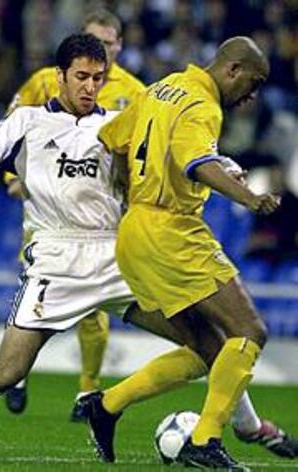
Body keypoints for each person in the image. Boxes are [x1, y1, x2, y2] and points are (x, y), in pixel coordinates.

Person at [0, 34, 296, 467]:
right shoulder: (25, 121)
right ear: (59, 76)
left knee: (211, 343)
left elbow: (173, 153)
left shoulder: (115, 124)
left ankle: (244, 428)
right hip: (56, 263)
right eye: (80, 77)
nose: (89, 87)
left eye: (98, 79)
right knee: (7, 373)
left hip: (117, 255)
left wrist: (226, 167)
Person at [78, 36, 287, 470]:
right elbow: (198, 163)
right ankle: (205, 439)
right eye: (254, 81)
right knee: (249, 330)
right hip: (171, 228)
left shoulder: (161, 87)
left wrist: (126, 190)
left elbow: (114, 139)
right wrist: (249, 199)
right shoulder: (201, 104)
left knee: (207, 347)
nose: (253, 95)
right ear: (232, 69)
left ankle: (107, 405)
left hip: (134, 228)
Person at [3, 8, 146, 420]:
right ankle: (16, 373)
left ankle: (87, 392)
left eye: (108, 41)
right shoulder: (48, 80)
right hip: (50, 212)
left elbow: (143, 150)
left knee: (94, 308)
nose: (101, 48)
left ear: (119, 45)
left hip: (101, 217)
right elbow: (13, 125)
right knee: (36, 294)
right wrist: (16, 174)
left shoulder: (136, 93)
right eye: (93, 40)